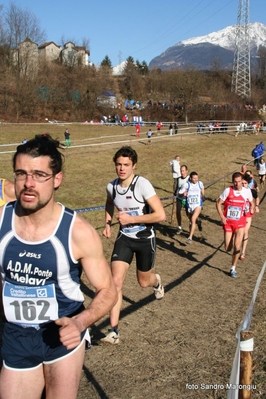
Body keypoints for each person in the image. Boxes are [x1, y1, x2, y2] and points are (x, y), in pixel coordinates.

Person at [0, 134, 117, 398]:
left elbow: (107, 290)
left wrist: (80, 323)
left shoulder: (78, 232)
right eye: (21, 174)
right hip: (15, 336)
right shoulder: (1, 222)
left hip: (61, 335)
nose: (28, 184)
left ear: (57, 179)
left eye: (39, 175)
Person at [101, 146, 166, 344]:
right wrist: (107, 224)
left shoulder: (142, 184)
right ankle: (114, 331)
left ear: (134, 165)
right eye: (119, 164)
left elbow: (160, 215)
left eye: (126, 165)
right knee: (116, 282)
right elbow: (109, 203)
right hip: (125, 239)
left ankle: (157, 282)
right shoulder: (111, 186)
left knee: (143, 282)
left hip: (145, 239)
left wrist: (132, 219)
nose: (122, 168)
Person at [216, 172, 254, 278]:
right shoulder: (228, 191)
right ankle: (231, 239)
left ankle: (233, 268)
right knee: (227, 248)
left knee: (238, 246)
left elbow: (252, 202)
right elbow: (218, 203)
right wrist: (222, 217)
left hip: (240, 223)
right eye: (235, 182)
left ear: (242, 181)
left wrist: (252, 207)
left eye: (239, 182)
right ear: (232, 182)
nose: (237, 184)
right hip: (228, 223)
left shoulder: (247, 192)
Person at [178, 171, 204, 244]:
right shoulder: (186, 185)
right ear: (190, 178)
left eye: (197, 178)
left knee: (193, 219)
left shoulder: (200, 183)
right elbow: (179, 195)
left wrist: (203, 196)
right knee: (191, 221)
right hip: (189, 206)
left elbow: (202, 188)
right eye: (194, 178)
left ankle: (190, 237)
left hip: (198, 205)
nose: (196, 179)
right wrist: (183, 194)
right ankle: (198, 222)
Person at [240, 174, 259, 261]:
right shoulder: (237, 191)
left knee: (245, 231)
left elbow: (254, 200)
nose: (243, 185)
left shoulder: (251, 192)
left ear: (248, 184)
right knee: (238, 232)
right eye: (242, 183)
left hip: (247, 214)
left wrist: (254, 207)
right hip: (239, 214)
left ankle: (243, 252)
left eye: (245, 183)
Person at [175, 165, 189, 234]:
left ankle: (194, 222)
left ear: (187, 171)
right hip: (179, 198)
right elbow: (176, 187)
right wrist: (175, 193)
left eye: (183, 171)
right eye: (181, 171)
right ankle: (179, 227)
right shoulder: (178, 179)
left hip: (187, 199)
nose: (182, 172)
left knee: (188, 213)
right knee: (178, 211)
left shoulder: (189, 179)